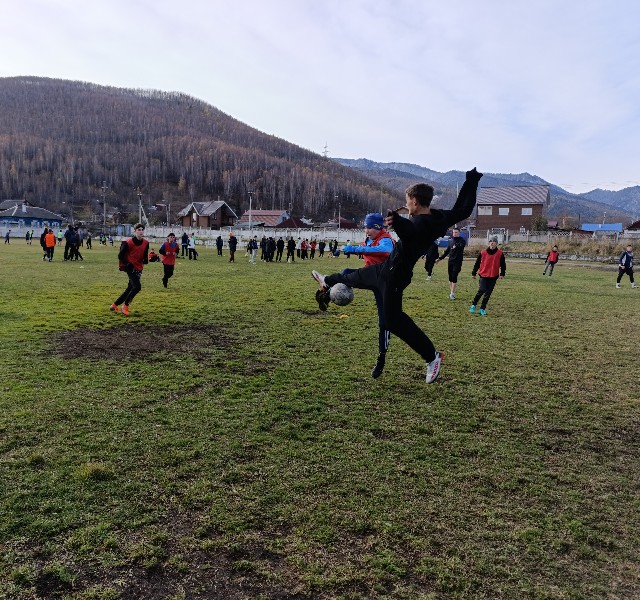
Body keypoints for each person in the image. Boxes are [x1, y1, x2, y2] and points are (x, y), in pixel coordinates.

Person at [312, 168, 482, 384]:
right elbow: (463, 209)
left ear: (415, 201)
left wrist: (398, 222)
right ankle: (326, 281)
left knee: (393, 321)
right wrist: (471, 181)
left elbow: (411, 233)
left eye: (407, 200)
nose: (407, 204)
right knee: (352, 276)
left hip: (395, 277)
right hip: (386, 268)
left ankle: (432, 357)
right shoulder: (439, 217)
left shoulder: (421, 224)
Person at [340, 213, 395, 378]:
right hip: (369, 277)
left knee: (385, 322)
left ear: (378, 227)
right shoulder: (368, 240)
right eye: (365, 227)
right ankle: (327, 292)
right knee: (345, 273)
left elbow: (386, 250)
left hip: (385, 284)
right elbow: (366, 250)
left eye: (370, 227)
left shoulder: (386, 239)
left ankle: (381, 357)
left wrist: (356, 249)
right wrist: (340, 251)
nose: (367, 230)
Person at [110, 223, 149, 316]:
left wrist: (145, 259)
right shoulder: (128, 242)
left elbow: (144, 255)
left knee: (130, 288)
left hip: (139, 267)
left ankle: (114, 305)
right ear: (135, 231)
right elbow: (121, 255)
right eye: (138, 230)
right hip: (130, 267)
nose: (141, 231)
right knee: (137, 287)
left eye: (142, 229)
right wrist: (127, 264)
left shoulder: (146, 243)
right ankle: (125, 306)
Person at [469, 236, 506, 316]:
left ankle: (482, 309)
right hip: (483, 275)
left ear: (496, 243)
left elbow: (503, 264)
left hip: (493, 276)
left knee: (488, 294)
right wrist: (474, 273)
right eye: (490, 241)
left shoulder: (500, 253)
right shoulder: (483, 252)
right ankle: (473, 305)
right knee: (481, 290)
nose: (492, 242)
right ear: (489, 243)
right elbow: (477, 263)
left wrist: (502, 274)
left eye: (494, 241)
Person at [436, 227, 466, 299]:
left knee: (454, 276)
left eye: (456, 232)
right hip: (450, 261)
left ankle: (452, 294)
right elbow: (447, 252)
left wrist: (456, 247)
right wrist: (439, 259)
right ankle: (451, 293)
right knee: (450, 278)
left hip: (458, 261)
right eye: (454, 232)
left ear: (459, 233)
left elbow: (461, 246)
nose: (454, 234)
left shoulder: (462, 240)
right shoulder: (451, 241)